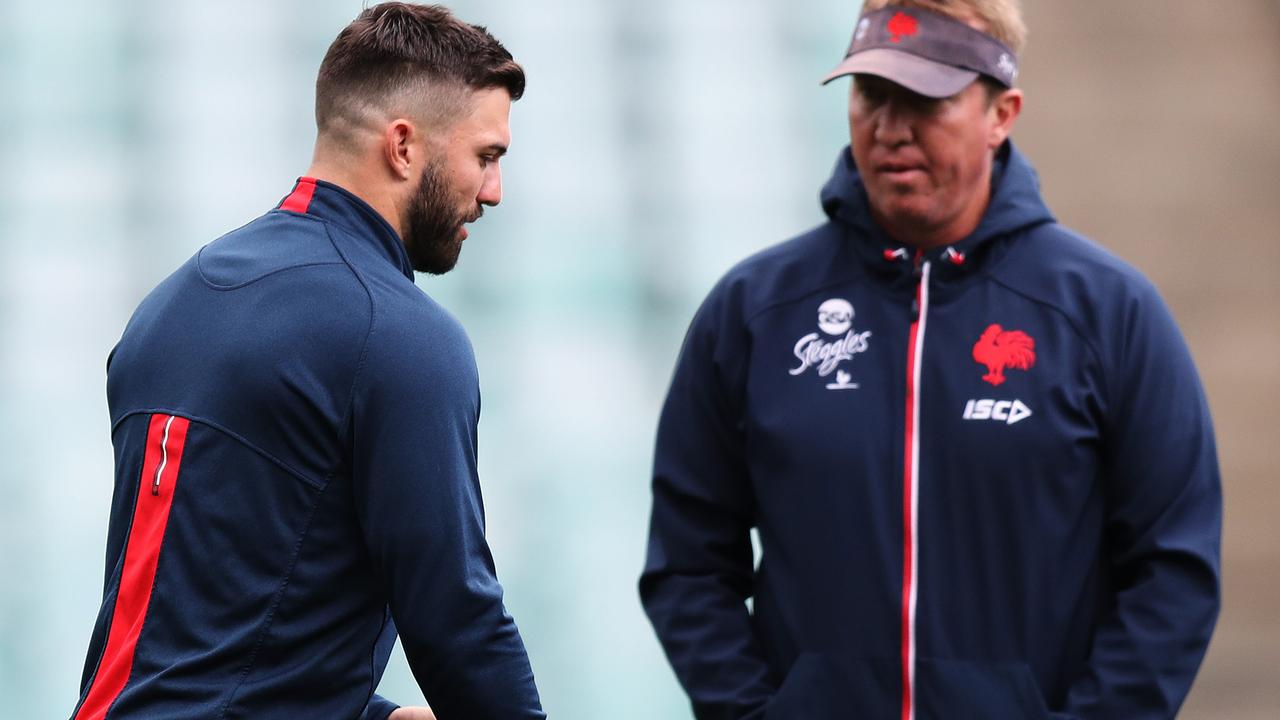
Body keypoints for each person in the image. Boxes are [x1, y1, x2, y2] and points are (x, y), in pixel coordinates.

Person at [639, 1, 1222, 718]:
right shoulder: (755, 312)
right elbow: (689, 564)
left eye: (923, 99)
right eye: (871, 95)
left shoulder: (1108, 314)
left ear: (1001, 113)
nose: (888, 128)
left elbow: (1172, 572)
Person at [70, 4, 542, 719]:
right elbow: (457, 623)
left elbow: (204, 629)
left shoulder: (172, 303)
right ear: (404, 146)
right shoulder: (398, 335)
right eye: (486, 156)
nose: (493, 191)